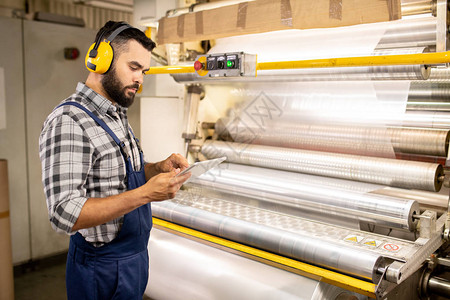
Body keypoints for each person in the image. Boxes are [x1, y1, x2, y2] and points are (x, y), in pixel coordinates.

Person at [39, 21, 191, 299]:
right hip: (101, 269)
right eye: (133, 67)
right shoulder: (69, 121)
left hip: (132, 260)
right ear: (101, 59)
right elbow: (63, 213)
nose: (140, 79)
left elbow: (117, 175)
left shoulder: (116, 115)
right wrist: (145, 194)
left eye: (143, 71)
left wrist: (156, 169)